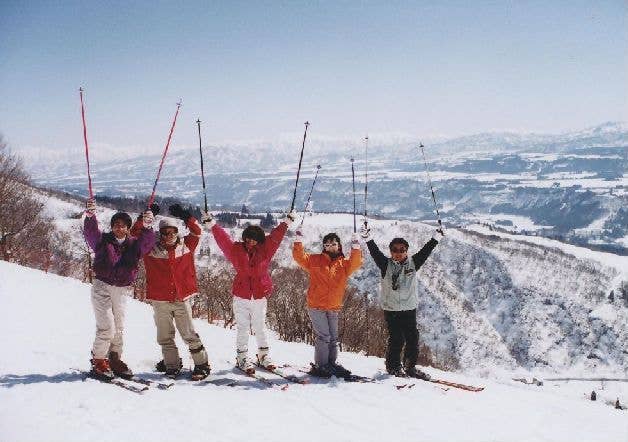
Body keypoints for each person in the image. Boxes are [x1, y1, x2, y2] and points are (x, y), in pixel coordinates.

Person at [206, 211, 294, 374]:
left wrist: (286, 223)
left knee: (260, 327)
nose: (251, 241)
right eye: (249, 237)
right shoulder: (236, 250)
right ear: (245, 237)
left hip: (259, 295)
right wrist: (212, 225)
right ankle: (242, 357)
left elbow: (275, 237)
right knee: (243, 328)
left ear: (259, 240)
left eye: (255, 238)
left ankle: (263, 355)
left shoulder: (265, 250)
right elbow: (223, 240)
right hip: (241, 296)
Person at [83, 198, 156, 380]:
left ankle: (114, 358)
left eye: (123, 225)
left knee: (119, 327)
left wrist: (147, 226)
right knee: (107, 326)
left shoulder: (134, 244)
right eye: (116, 224)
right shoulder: (103, 241)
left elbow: (147, 244)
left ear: (128, 228)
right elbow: (91, 233)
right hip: (102, 286)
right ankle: (99, 359)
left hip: (122, 289)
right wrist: (90, 216)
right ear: (112, 226)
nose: (119, 228)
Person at [361, 224, 442, 379]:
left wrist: (436, 237)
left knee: (413, 338)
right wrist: (367, 238)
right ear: (391, 252)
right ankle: (393, 367)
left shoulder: (413, 263)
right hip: (391, 309)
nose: (398, 253)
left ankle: (410, 367)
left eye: (402, 250)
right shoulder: (385, 265)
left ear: (407, 251)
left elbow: (426, 251)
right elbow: (375, 252)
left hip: (409, 308)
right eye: (395, 250)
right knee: (397, 338)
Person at [141, 204, 210, 380]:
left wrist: (185, 215)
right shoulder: (150, 249)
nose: (169, 236)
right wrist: (146, 218)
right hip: (160, 300)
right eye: (165, 232)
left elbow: (196, 230)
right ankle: (172, 365)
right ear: (160, 234)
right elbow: (136, 236)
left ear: (177, 232)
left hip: (182, 297)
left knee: (189, 333)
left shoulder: (187, 245)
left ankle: (202, 365)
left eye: (172, 232)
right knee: (165, 336)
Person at [292, 230, 362, 378]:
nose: (330, 247)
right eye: (327, 244)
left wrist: (356, 246)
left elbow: (356, 263)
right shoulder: (315, 260)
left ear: (339, 246)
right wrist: (298, 241)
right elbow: (299, 257)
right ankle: (321, 365)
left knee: (333, 338)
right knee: (324, 336)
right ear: (324, 246)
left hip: (334, 306)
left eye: (333, 244)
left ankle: (331, 364)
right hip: (316, 305)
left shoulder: (344, 264)